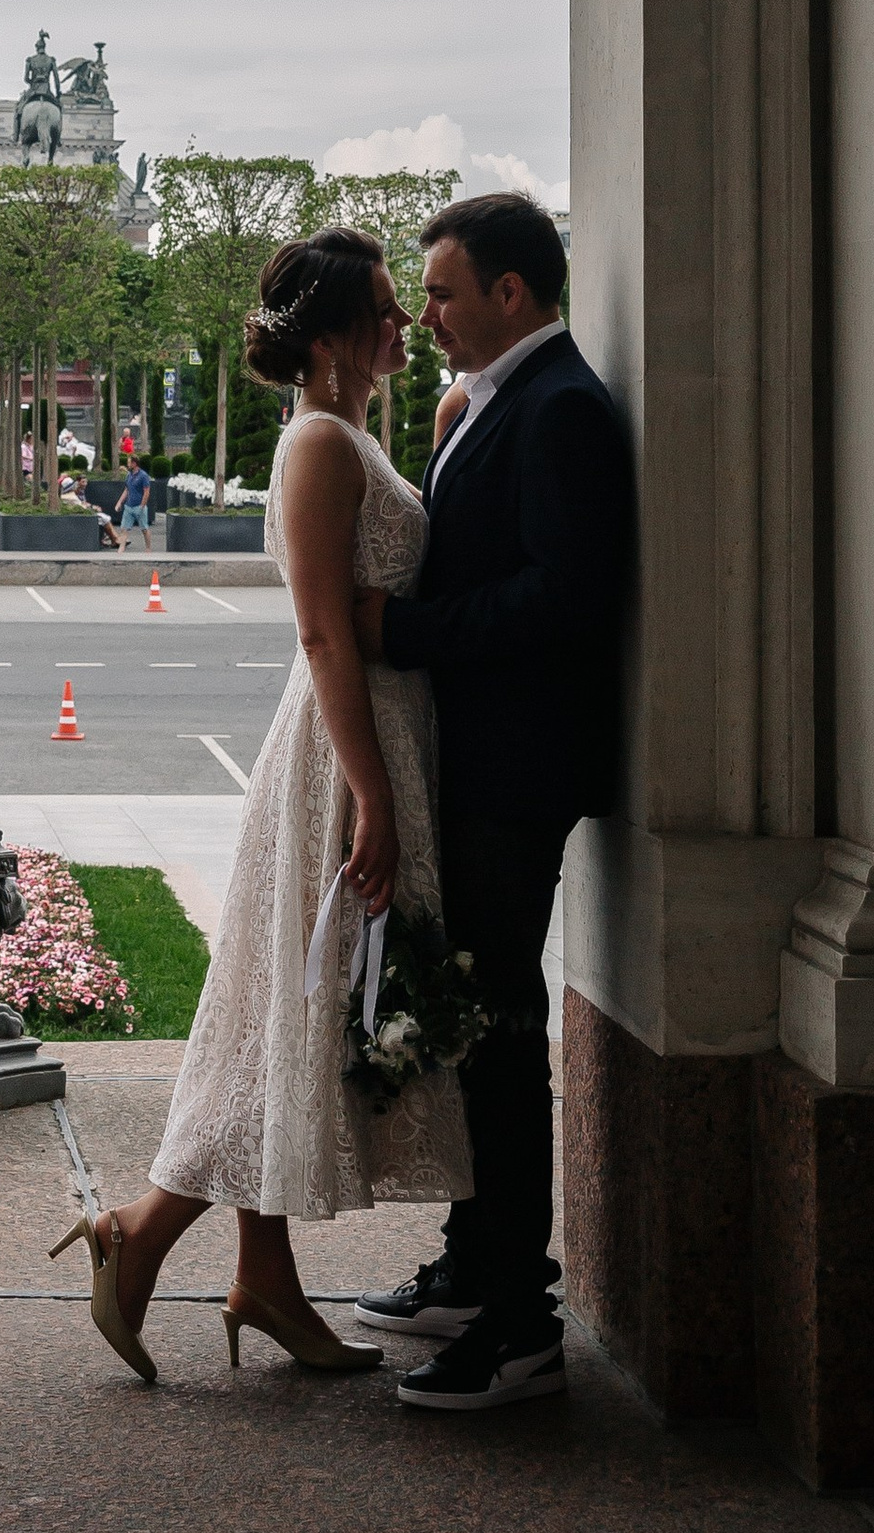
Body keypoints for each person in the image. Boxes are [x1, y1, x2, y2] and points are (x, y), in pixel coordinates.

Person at [51, 229, 469, 1383]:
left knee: (283, 1014)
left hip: (359, 739)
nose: (403, 325)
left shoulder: (350, 433)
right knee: (297, 1010)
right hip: (344, 751)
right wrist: (371, 795)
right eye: (386, 308)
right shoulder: (320, 444)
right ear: (333, 332)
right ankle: (143, 1238)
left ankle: (258, 1279)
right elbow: (325, 631)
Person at [350, 190, 633, 1418]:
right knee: (477, 1035)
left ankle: (519, 1323)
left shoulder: (562, 408)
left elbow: (563, 598)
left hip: (515, 777)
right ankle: (477, 1269)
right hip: (488, 769)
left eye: (447, 292)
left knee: (504, 1046)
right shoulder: (504, 398)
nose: (430, 313)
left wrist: (401, 632)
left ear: (510, 292)